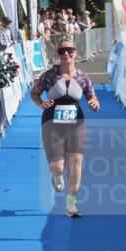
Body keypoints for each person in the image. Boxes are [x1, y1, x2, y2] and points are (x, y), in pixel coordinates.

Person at [30, 38, 100, 218]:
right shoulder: (49, 76)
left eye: (69, 50)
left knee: (76, 164)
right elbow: (34, 93)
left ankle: (71, 205)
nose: (66, 54)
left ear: (75, 53)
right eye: (62, 51)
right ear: (57, 55)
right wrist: (41, 104)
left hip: (76, 122)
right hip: (51, 123)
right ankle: (56, 175)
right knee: (58, 167)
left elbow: (92, 97)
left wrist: (93, 102)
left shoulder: (83, 77)